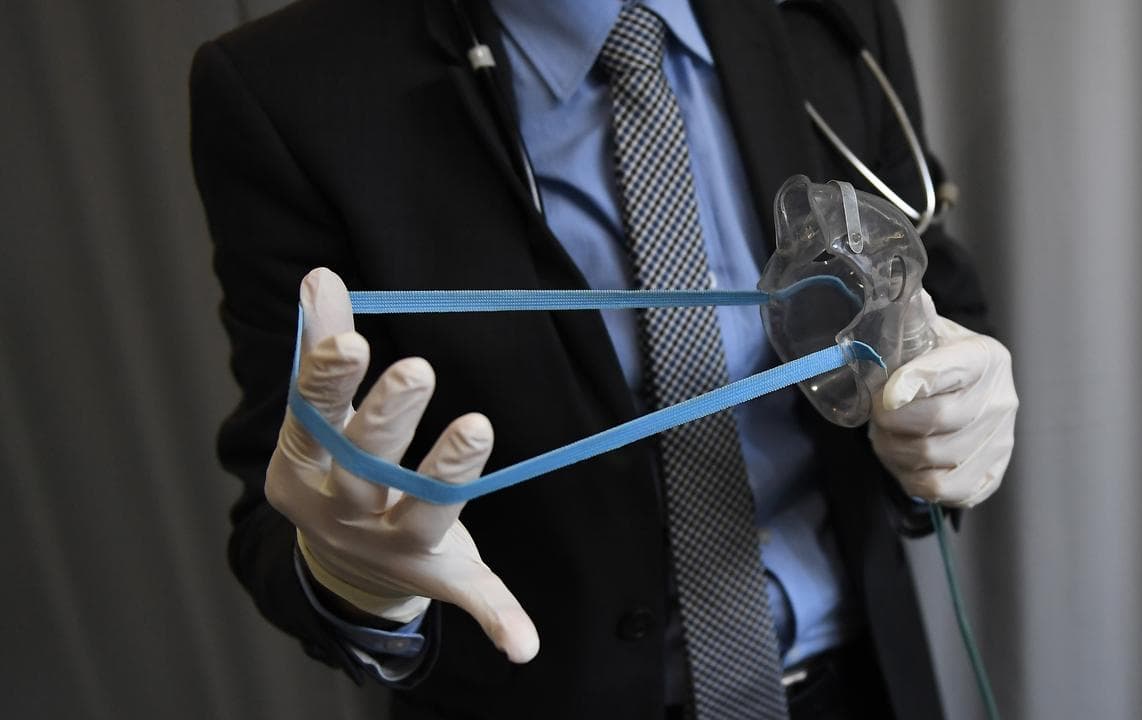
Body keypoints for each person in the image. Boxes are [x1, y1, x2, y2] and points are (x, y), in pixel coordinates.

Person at [189, 0, 1017, 718]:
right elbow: (284, 489)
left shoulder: (823, 15)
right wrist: (353, 586)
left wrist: (947, 416)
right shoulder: (287, 88)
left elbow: (928, 280)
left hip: (863, 684)